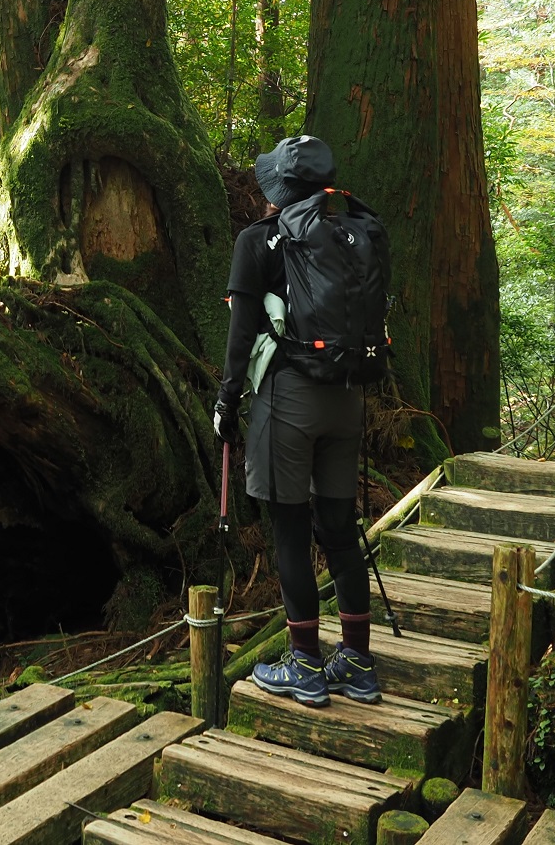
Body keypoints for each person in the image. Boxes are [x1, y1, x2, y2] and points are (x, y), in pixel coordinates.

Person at [213, 135, 382, 707]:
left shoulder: (259, 240)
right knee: (338, 530)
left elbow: (241, 334)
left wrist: (226, 400)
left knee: (289, 528)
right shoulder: (351, 233)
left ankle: (305, 664)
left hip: (289, 400)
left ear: (279, 189)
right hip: (347, 396)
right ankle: (357, 662)